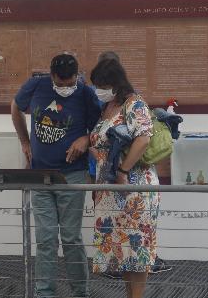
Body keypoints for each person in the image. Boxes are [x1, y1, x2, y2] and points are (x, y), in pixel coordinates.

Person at [11, 53, 101, 298]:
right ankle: (44, 293)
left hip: (72, 175)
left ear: (77, 76)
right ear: (51, 76)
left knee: (71, 238)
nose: (64, 88)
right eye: (59, 84)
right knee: (46, 239)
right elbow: (15, 107)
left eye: (69, 83)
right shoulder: (37, 85)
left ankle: (81, 292)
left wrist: (85, 138)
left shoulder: (85, 93)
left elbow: (99, 128)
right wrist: (24, 141)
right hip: (41, 174)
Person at [90, 52, 171, 279]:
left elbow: (143, 138)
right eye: (96, 85)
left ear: (116, 84)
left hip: (132, 188)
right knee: (122, 256)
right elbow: (99, 139)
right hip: (110, 189)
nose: (98, 90)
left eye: (102, 85)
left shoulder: (134, 104)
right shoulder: (107, 107)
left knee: (136, 253)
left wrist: (123, 171)